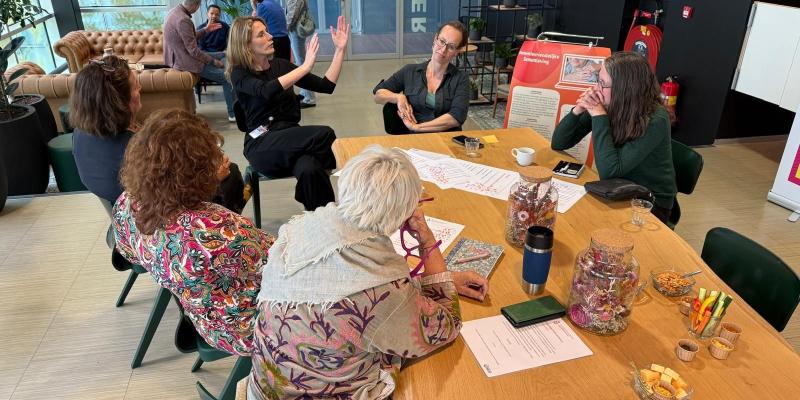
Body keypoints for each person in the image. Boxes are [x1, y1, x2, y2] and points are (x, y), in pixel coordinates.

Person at [247, 145, 488, 399]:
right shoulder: (384, 292)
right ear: (404, 212)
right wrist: (427, 241)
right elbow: (446, 326)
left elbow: (340, 284)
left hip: (267, 386)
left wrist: (420, 283)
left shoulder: (299, 229)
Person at [112, 109, 274, 355]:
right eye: (213, 155)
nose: (220, 157)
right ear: (195, 173)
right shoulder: (216, 230)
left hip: (200, 316)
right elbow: (282, 262)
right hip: (245, 328)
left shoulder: (127, 203)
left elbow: (130, 254)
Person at [226, 15, 350, 211]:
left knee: (310, 169)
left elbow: (326, 86)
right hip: (262, 143)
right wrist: (305, 66)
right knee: (325, 134)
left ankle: (323, 221)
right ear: (246, 45)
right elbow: (265, 90)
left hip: (291, 138)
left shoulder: (281, 66)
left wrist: (340, 49)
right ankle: (348, 191)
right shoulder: (239, 73)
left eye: (267, 31)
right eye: (261, 34)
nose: (270, 36)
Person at [551, 51, 676, 223]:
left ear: (624, 88)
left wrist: (599, 116)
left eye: (603, 83)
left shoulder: (656, 119)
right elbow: (559, 142)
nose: (596, 89)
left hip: (649, 201)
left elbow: (609, 171)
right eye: (598, 80)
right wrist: (578, 110)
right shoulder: (611, 103)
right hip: (618, 188)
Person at [373, 21, 470, 133]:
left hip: (445, 140)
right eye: (442, 41)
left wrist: (417, 127)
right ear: (435, 39)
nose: (443, 50)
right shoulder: (410, 71)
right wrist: (398, 97)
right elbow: (378, 94)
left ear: (457, 52)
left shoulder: (461, 79)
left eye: (451, 47)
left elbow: (456, 117)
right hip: (415, 142)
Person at [70, 56, 140, 205]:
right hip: (143, 218)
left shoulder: (79, 133)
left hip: (115, 206)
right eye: (135, 87)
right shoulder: (137, 149)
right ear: (120, 102)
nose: (140, 89)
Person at [164, 0, 235, 121]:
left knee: (224, 54)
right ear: (196, 6)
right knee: (227, 78)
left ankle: (228, 70)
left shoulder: (174, 12)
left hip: (182, 55)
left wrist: (206, 30)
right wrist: (213, 62)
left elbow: (188, 37)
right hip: (185, 60)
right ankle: (233, 114)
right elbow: (193, 51)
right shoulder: (183, 19)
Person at [285, 0, 317, 108]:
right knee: (301, 62)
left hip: (295, 28)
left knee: (302, 63)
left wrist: (285, 27)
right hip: (294, 28)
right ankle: (305, 93)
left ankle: (310, 98)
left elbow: (293, 13)